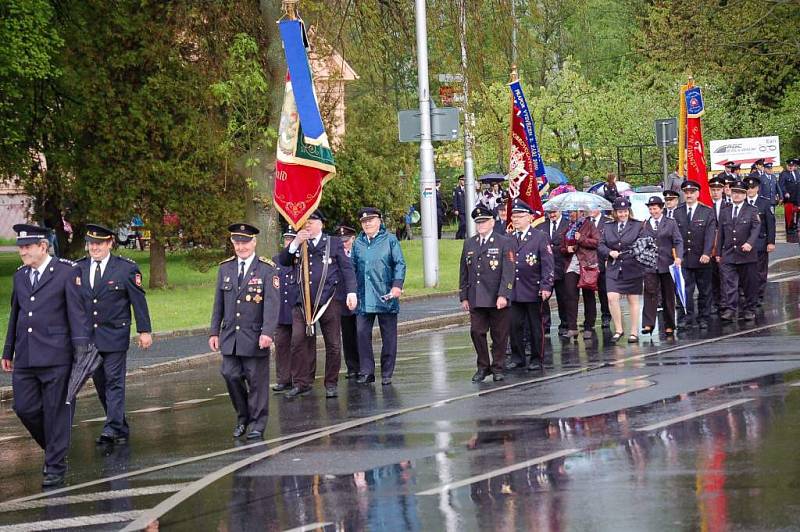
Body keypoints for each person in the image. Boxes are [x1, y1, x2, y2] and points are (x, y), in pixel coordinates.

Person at [2, 224, 89, 487]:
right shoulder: (20, 277)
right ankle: (55, 448)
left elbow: (77, 315)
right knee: (24, 408)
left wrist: (81, 353)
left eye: (27, 247)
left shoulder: (66, 272)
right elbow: (15, 315)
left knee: (56, 411)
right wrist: (8, 350)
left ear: (43, 246)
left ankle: (54, 465)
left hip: (57, 355)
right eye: (20, 248)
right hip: (27, 355)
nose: (22, 252)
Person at [77, 224, 152, 445]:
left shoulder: (125, 268)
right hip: (89, 338)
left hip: (115, 335)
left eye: (99, 243)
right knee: (100, 383)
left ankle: (110, 427)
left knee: (114, 381)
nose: (94, 248)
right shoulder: (78, 268)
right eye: (91, 243)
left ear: (110, 243)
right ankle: (119, 424)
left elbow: (138, 300)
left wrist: (144, 330)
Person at [209, 223, 279, 439]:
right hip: (231, 336)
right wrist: (214, 332)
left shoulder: (267, 269)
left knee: (256, 381)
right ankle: (243, 416)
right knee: (229, 374)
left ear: (254, 242)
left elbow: (272, 304)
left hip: (256, 335)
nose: (241, 247)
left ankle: (258, 423)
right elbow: (218, 303)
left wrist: (268, 332)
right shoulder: (225, 268)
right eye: (237, 242)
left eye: (245, 242)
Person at [278, 210, 357, 398]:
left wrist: (351, 292)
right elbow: (283, 261)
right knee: (298, 341)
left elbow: (347, 269)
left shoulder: (334, 243)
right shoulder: (299, 244)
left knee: (333, 343)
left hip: (328, 301)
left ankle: (331, 383)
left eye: (311, 221)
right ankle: (301, 382)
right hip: (302, 301)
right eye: (305, 222)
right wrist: (296, 242)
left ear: (321, 223)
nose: (308, 225)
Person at [459, 205, 515, 382]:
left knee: (499, 334)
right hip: (476, 296)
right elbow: (464, 271)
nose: (480, 225)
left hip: (496, 296)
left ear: (492, 222)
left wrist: (503, 294)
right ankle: (483, 366)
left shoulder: (504, 242)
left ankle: (498, 366)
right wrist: (464, 296)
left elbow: (508, 271)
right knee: (476, 332)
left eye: (484, 221)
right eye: (478, 222)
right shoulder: (470, 243)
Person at [351, 208, 406, 385]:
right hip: (363, 296)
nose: (367, 224)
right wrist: (351, 291)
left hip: (385, 295)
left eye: (371, 220)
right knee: (361, 333)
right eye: (364, 222)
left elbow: (399, 263)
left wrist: (397, 286)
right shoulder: (358, 242)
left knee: (388, 336)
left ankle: (387, 372)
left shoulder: (390, 240)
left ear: (379, 221)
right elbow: (351, 269)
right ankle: (367, 371)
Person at [508, 199, 554, 371]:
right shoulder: (510, 238)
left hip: (533, 288)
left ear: (529, 218)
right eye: (514, 216)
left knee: (535, 325)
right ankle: (517, 356)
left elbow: (548, 263)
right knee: (514, 325)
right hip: (514, 290)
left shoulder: (539, 237)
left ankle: (536, 357)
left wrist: (546, 286)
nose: (516, 219)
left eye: (520, 216)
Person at [598, 198, 645, 343]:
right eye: (620, 212)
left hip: (632, 266)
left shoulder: (638, 225)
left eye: (625, 211)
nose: (622, 214)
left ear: (628, 211)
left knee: (633, 300)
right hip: (613, 266)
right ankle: (619, 329)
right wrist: (609, 252)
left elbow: (641, 244)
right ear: (615, 212)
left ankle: (634, 332)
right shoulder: (608, 226)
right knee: (612, 297)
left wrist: (625, 254)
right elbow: (600, 244)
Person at [673, 181, 716, 328]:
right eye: (686, 192)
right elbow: (675, 236)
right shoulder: (677, 212)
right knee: (685, 291)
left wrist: (707, 253)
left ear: (698, 194)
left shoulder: (707, 211)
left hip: (702, 258)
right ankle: (686, 317)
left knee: (704, 290)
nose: (689, 195)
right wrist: (677, 256)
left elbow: (710, 235)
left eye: (692, 192)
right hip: (684, 258)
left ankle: (704, 317)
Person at [716, 180, 761, 321]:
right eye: (734, 192)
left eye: (740, 193)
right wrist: (718, 253)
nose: (736, 195)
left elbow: (756, 228)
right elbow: (721, 234)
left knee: (749, 284)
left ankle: (749, 308)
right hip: (729, 253)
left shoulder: (752, 210)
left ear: (745, 194)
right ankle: (731, 309)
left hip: (746, 254)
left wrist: (750, 243)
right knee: (729, 283)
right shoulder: (725, 211)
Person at [640, 196, 683, 336]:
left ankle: (669, 324)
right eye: (651, 209)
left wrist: (678, 257)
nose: (653, 211)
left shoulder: (670, 223)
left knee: (668, 295)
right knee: (650, 293)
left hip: (667, 263)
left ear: (661, 208)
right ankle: (648, 324)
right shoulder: (645, 224)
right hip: (650, 264)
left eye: (655, 208)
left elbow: (678, 241)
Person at [559, 210, 600, 340]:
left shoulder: (589, 225)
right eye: (569, 212)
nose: (571, 214)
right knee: (570, 295)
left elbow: (597, 242)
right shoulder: (568, 227)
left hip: (586, 263)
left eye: (573, 212)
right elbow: (561, 247)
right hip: (571, 264)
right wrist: (567, 249)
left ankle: (589, 326)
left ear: (581, 212)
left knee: (588, 295)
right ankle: (572, 327)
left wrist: (581, 239)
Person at [271, 228, 298, 393]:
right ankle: (283, 379)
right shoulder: (276, 260)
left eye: (291, 239)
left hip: (297, 309)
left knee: (299, 346)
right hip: (281, 311)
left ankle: (299, 379)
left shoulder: (302, 260)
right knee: (281, 346)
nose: (288, 242)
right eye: (287, 239)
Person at [744, 176, 776, 306]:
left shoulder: (765, 203)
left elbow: (770, 224)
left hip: (761, 241)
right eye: (748, 188)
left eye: (752, 188)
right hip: (745, 243)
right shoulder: (742, 202)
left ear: (757, 188)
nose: (750, 190)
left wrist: (771, 242)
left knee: (760, 271)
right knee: (747, 271)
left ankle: (759, 295)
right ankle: (748, 294)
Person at [335, 225, 360, 380]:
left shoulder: (358, 254)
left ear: (353, 239)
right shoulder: (336, 255)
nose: (344, 243)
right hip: (342, 299)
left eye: (347, 240)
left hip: (358, 299)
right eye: (341, 241)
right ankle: (352, 367)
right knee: (348, 335)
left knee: (361, 334)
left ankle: (363, 366)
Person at [538, 208, 569, 337]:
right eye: (549, 212)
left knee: (563, 298)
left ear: (560, 211)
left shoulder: (567, 225)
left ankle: (565, 324)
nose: (552, 214)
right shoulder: (541, 226)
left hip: (562, 267)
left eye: (554, 212)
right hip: (545, 269)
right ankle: (545, 325)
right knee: (543, 299)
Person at [587, 208, 613, 328]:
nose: (590, 210)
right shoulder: (584, 222)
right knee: (588, 292)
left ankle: (606, 316)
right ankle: (590, 319)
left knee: (603, 291)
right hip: (588, 262)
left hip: (603, 260)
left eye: (592, 207)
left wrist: (608, 256)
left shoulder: (607, 222)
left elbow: (610, 241)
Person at [708, 176, 728, 313]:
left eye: (718, 189)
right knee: (712, 275)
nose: (715, 192)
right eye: (713, 190)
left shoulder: (728, 206)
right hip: (710, 246)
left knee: (725, 275)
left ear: (723, 190)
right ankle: (715, 301)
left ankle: (725, 302)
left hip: (725, 245)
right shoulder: (705, 206)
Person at [779, 158, 799, 235]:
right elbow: (781, 185)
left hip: (796, 197)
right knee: (789, 214)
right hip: (789, 198)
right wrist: (785, 192)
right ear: (787, 166)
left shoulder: (796, 172)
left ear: (794, 166)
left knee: (796, 213)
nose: (791, 167)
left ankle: (794, 226)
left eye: (792, 165)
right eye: (789, 165)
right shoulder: (783, 174)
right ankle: (788, 228)